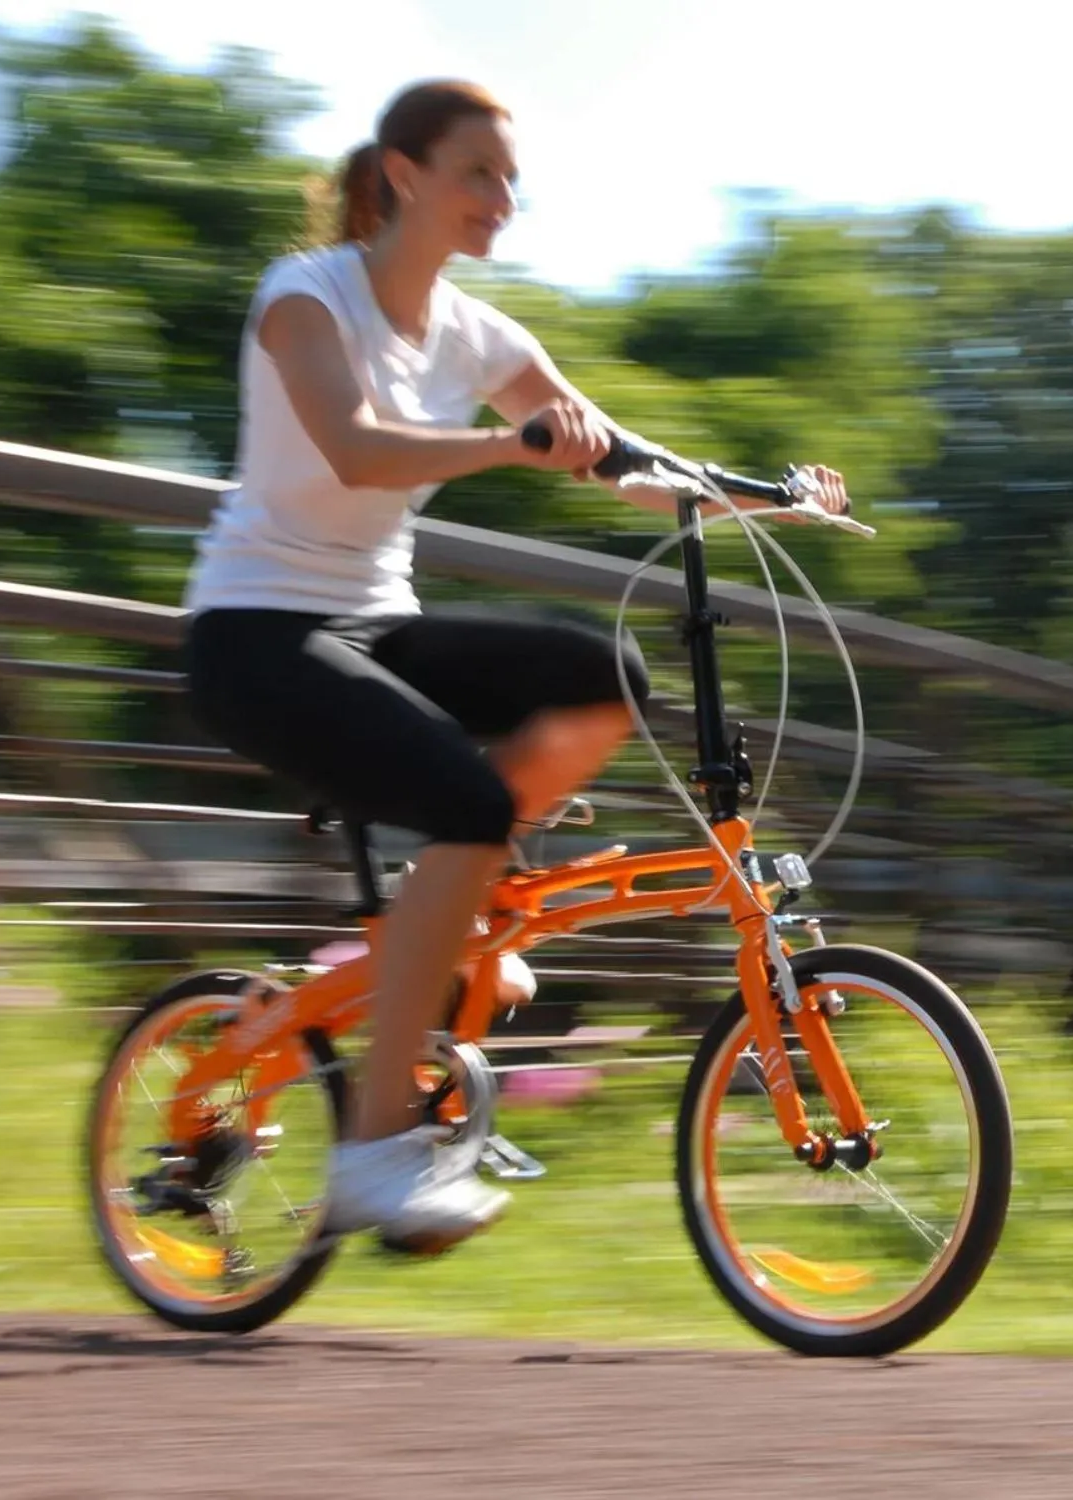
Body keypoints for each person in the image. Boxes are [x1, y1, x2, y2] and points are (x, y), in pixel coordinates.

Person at [180, 79, 849, 1254]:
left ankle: (463, 913)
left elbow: (622, 459)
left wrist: (764, 496)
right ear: (402, 175)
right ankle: (375, 1153)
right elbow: (354, 445)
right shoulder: (304, 298)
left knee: (606, 680)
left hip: (374, 623)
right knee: (471, 802)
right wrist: (506, 441)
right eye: (478, 173)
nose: (503, 198)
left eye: (510, 180)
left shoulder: (480, 334)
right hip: (254, 634)